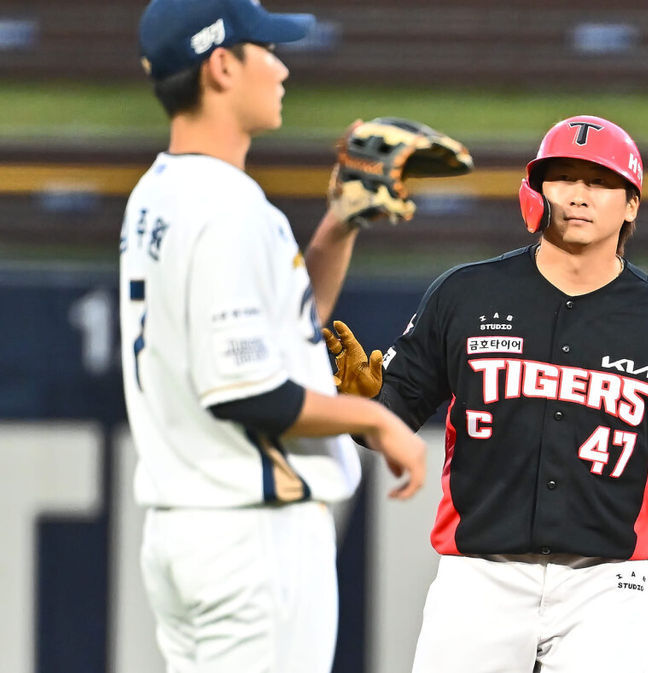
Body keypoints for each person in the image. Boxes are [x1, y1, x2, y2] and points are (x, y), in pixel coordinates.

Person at [326, 115, 648, 672]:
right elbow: (388, 420)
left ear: (631, 205)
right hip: (479, 576)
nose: (578, 194)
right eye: (563, 177)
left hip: (607, 587)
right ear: (537, 190)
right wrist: (362, 408)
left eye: (598, 181)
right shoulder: (466, 294)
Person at [118, 1, 426, 671]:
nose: (283, 68)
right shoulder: (226, 207)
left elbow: (280, 330)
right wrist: (377, 417)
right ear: (221, 66)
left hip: (186, 526)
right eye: (267, 49)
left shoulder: (158, 193)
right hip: (248, 536)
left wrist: (337, 225)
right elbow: (245, 388)